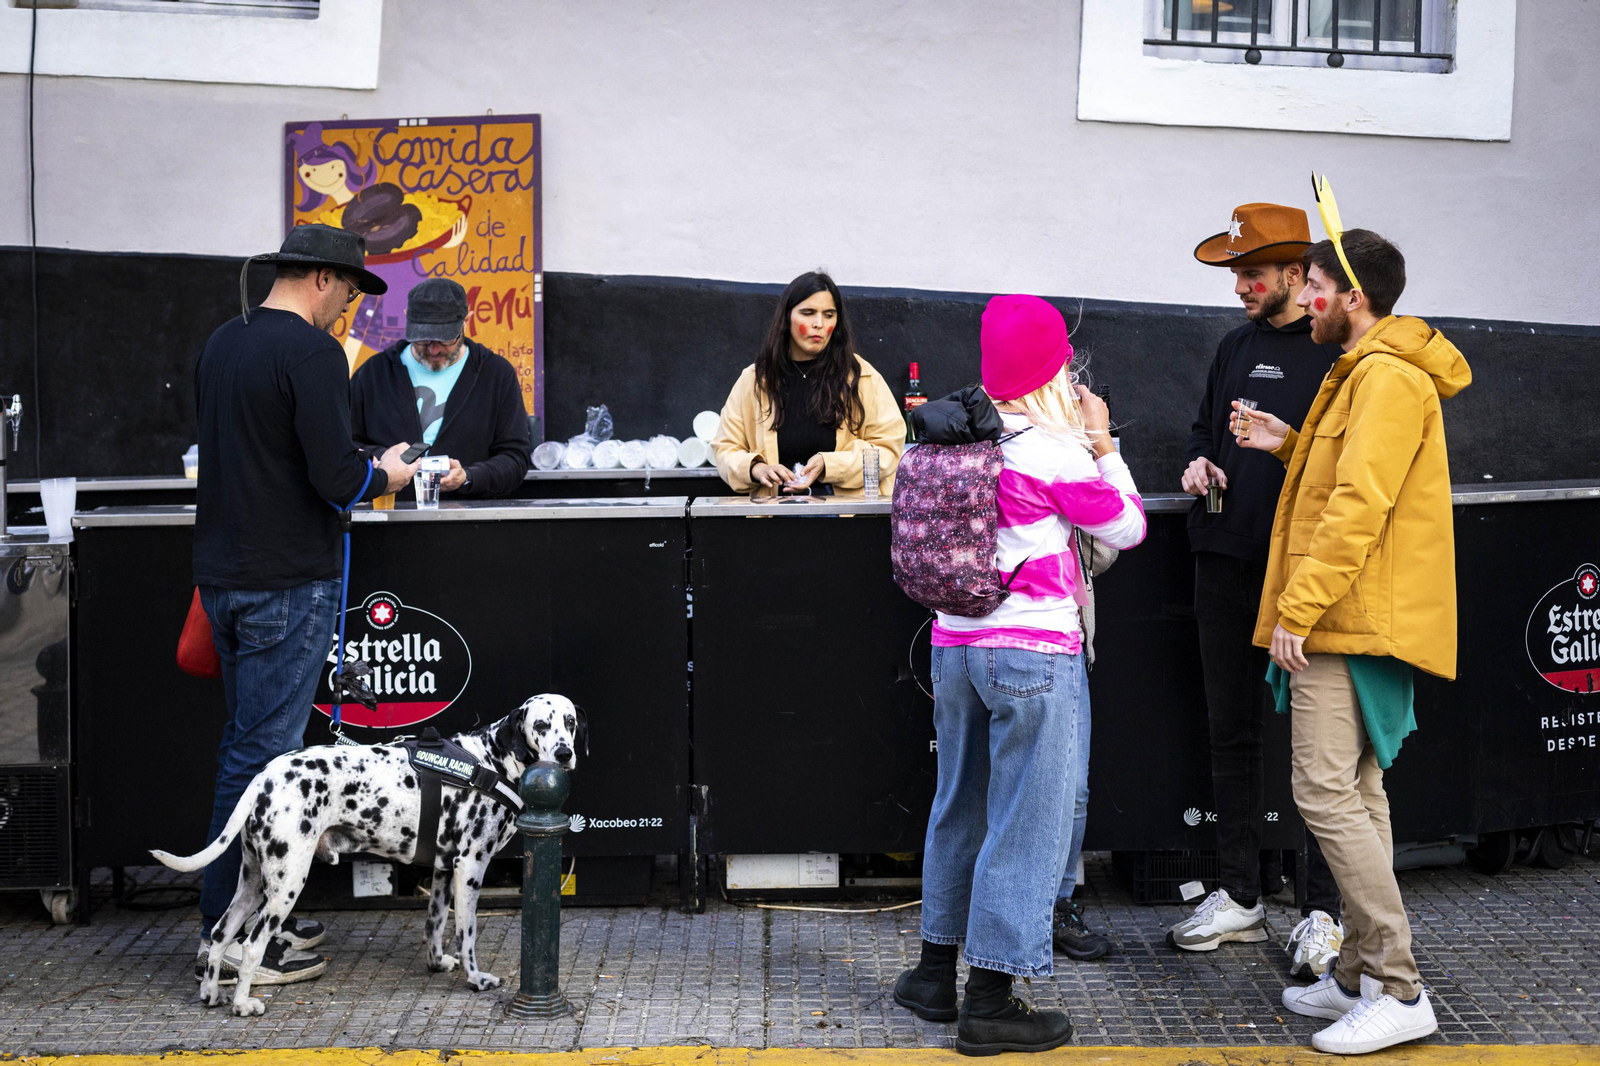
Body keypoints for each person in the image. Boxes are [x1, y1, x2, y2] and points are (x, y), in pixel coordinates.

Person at [1234, 225, 1469, 1055]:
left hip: (1343, 617)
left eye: (1315, 289)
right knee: (1360, 794)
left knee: (1324, 793)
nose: (1305, 301)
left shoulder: (1386, 380)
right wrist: (1289, 443)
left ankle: (1399, 986)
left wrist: (1297, 609)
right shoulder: (1372, 375)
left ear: (1351, 296)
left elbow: (1359, 508)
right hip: (1349, 612)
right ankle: (1360, 978)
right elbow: (1351, 479)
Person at [894, 295, 1146, 1056]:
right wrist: (1104, 444)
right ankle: (993, 999)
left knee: (958, 807)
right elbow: (1127, 526)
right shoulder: (1054, 453)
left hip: (954, 645)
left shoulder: (953, 436)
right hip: (1033, 654)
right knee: (1028, 824)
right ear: (1052, 369)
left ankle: (934, 974)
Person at [192, 224, 419, 985]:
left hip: (222, 578)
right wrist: (385, 470)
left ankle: (238, 919)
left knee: (244, 752)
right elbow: (337, 480)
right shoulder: (312, 352)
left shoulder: (223, 341)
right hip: (286, 583)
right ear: (324, 278)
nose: (347, 313)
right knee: (262, 760)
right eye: (349, 296)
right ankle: (236, 940)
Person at [1166, 202, 1346, 978]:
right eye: (1234, 273)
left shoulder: (1336, 356)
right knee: (1229, 732)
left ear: (1296, 275)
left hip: (1304, 575)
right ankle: (1240, 895)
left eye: (1249, 272)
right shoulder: (1233, 345)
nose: (1238, 286)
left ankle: (1323, 913)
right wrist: (1198, 464)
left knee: (1323, 750)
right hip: (1224, 557)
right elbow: (1204, 431)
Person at [711, 272, 905, 499]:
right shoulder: (756, 379)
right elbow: (725, 449)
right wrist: (756, 468)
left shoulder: (862, 377)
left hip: (847, 520)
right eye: (808, 313)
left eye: (829, 315)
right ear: (786, 317)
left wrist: (829, 464)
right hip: (773, 523)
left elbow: (890, 450)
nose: (819, 324)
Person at [350, 277, 533, 499]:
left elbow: (515, 459)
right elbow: (345, 445)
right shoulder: (373, 373)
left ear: (466, 321)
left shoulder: (496, 374)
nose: (434, 350)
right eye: (423, 339)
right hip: (391, 516)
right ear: (407, 319)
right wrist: (384, 459)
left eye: (445, 340)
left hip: (468, 519)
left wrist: (468, 476)